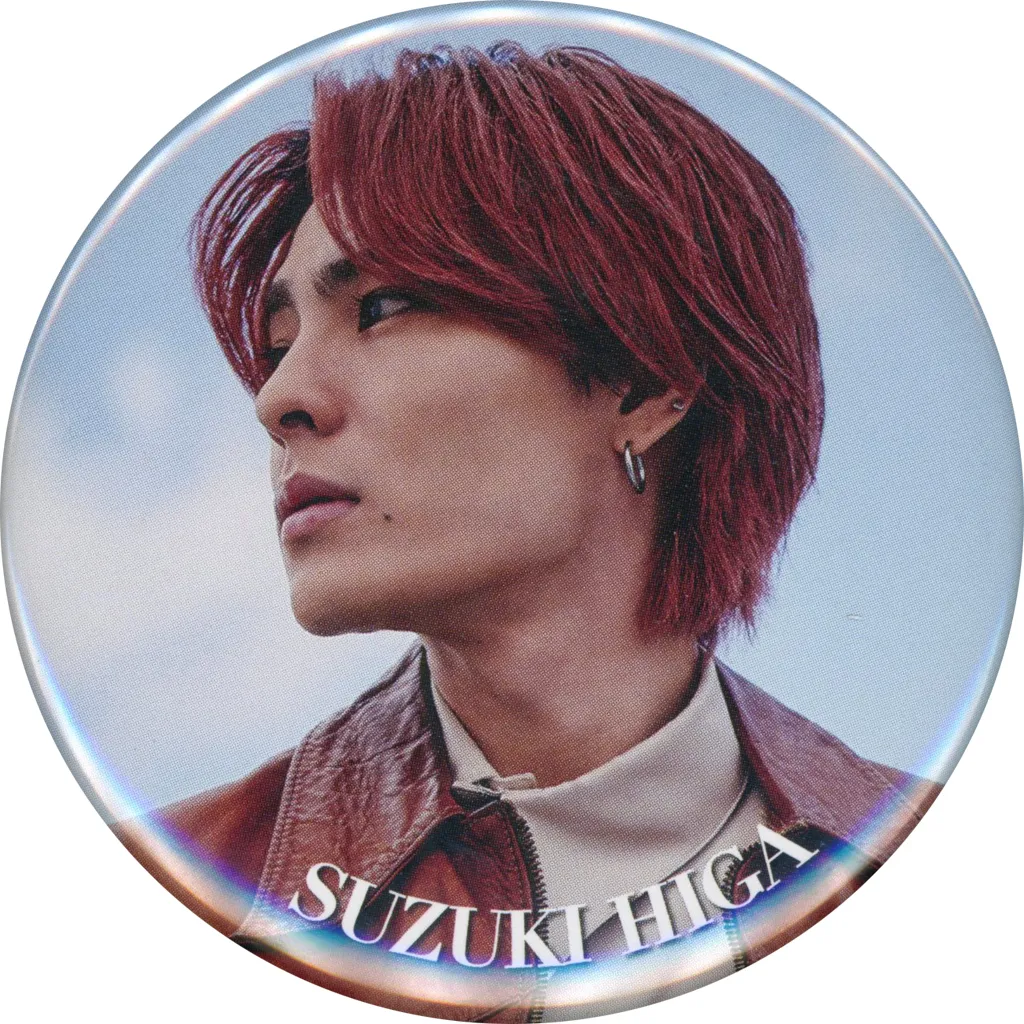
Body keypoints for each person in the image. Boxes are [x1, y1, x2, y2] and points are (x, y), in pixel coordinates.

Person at [115, 41, 940, 1018]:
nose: (277, 399)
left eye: (381, 306)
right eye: (277, 345)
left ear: (644, 380)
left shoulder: (942, 868)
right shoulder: (173, 895)